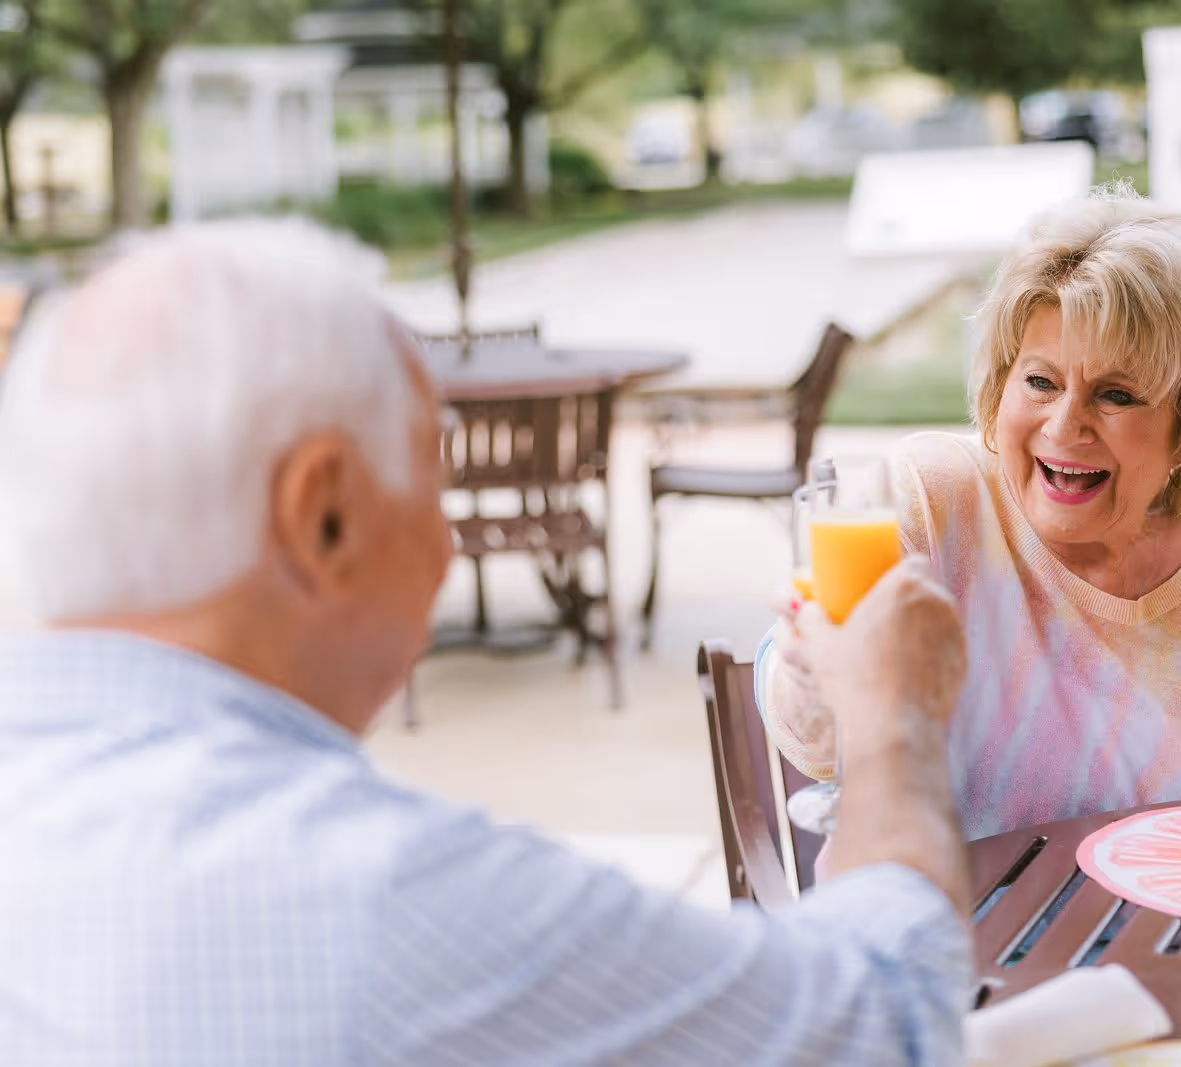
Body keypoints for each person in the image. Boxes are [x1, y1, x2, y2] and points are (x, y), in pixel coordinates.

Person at [0, 218, 974, 1065]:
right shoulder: (388, 897)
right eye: (433, 470)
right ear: (324, 512)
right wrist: (891, 711)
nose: (448, 538)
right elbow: (881, 1022)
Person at [759, 185, 1181, 842]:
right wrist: (812, 665)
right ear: (999, 388)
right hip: (987, 943)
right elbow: (819, 745)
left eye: (1116, 393)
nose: (1065, 423)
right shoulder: (939, 506)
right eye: (1041, 381)